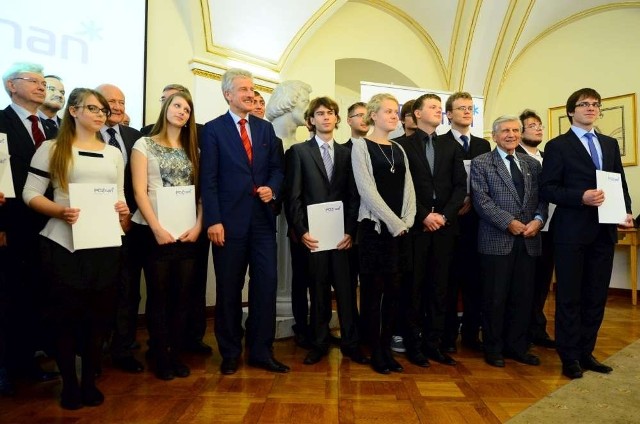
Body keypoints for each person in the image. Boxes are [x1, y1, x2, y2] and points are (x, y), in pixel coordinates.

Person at [22, 88, 130, 409]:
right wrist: (60, 211)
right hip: (63, 244)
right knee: (65, 318)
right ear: (73, 111)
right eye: (93, 109)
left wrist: (123, 212)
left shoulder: (113, 153)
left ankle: (89, 382)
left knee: (98, 318)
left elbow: (119, 194)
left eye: (103, 110)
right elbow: (30, 193)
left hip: (104, 244)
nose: (100, 114)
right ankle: (69, 383)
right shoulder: (51, 148)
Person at [541, 88, 633, 379]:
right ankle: (569, 358)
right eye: (584, 104)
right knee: (570, 297)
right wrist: (581, 196)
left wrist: (625, 211)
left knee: (596, 296)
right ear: (571, 111)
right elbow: (548, 188)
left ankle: (586, 352)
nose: (591, 108)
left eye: (595, 104)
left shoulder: (608, 143)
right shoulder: (558, 146)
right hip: (571, 232)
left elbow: (619, 182)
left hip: (604, 231)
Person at [200, 68, 287, 375]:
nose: (251, 94)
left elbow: (278, 169)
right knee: (229, 289)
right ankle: (230, 352)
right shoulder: (212, 130)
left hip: (263, 223)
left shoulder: (265, 130)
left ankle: (261, 351)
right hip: (228, 224)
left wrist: (272, 187)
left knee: (265, 286)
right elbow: (207, 179)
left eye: (252, 90)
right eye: (244, 90)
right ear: (228, 95)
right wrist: (213, 221)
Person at [285, 96, 366, 366]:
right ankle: (319, 343)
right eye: (320, 113)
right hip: (314, 237)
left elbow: (355, 197)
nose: (326, 117)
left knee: (345, 291)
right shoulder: (299, 152)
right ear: (311, 120)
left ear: (337, 118)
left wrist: (351, 232)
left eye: (331, 112)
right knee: (318, 292)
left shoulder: (348, 153)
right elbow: (293, 197)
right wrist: (301, 230)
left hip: (342, 237)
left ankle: (352, 343)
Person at [130, 91, 202, 380]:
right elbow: (139, 191)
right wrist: (157, 228)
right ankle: (160, 355)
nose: (181, 111)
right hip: (154, 231)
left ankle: (175, 354)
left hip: (187, 231)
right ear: (165, 109)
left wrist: (198, 226)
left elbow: (200, 192)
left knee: (182, 297)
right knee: (158, 297)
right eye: (177, 105)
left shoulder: (193, 148)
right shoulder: (143, 144)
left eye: (186, 109)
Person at [471, 115, 547, 368]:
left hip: (529, 240)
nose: (511, 134)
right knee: (495, 297)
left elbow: (542, 199)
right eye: (505, 130)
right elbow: (481, 201)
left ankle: (518, 346)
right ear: (494, 136)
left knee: (523, 297)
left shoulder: (532, 164)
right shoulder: (482, 163)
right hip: (496, 241)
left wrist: (538, 219)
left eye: (515, 130)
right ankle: (493, 348)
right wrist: (508, 222)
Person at [0, 62, 59, 391]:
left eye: (43, 82)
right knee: (8, 299)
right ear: (11, 85)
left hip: (48, 227)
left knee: (36, 297)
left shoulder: (53, 130)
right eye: (33, 81)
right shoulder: (0, 122)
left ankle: (27, 363)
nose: (41, 87)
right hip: (11, 227)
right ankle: (6, 368)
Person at [397, 93, 467, 367]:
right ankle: (413, 346)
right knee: (413, 289)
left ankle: (434, 344)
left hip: (445, 229)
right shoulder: (401, 145)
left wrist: (445, 216)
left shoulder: (450, 146)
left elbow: (460, 186)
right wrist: (424, 215)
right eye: (433, 107)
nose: (439, 111)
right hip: (416, 229)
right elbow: (403, 188)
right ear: (417, 113)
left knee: (440, 289)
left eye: (441, 107)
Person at [351, 93, 415, 374]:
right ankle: (375, 350)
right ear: (373, 115)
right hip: (375, 230)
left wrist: (408, 220)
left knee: (394, 293)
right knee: (373, 293)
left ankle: (387, 348)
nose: (394, 116)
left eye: (396, 112)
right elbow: (367, 191)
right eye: (388, 111)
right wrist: (393, 222)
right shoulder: (360, 147)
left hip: (399, 231)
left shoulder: (398, 150)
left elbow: (409, 188)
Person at [95, 84, 145, 373]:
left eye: (121, 101)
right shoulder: (82, 136)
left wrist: (131, 215)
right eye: (110, 101)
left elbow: (141, 183)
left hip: (131, 227)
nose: (116, 105)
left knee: (129, 290)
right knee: (99, 288)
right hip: (93, 226)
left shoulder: (133, 136)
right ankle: (94, 348)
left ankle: (123, 349)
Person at [440, 91, 490, 352]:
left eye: (471, 108)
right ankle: (447, 338)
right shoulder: (439, 143)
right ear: (448, 114)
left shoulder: (483, 145)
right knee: (449, 282)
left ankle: (472, 335)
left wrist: (475, 200)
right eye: (461, 108)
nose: (467, 112)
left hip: (479, 222)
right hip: (451, 221)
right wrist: (456, 204)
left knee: (475, 282)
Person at [516, 109, 556, 349]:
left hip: (549, 228)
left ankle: (537, 328)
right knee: (524, 284)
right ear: (520, 132)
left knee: (542, 282)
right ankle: (521, 331)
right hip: (524, 229)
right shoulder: (515, 156)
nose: (538, 128)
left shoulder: (548, 157)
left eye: (540, 125)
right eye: (532, 125)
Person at [265, 80, 312, 150]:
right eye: (305, 101)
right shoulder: (260, 144)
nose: (309, 108)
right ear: (287, 101)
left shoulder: (304, 148)